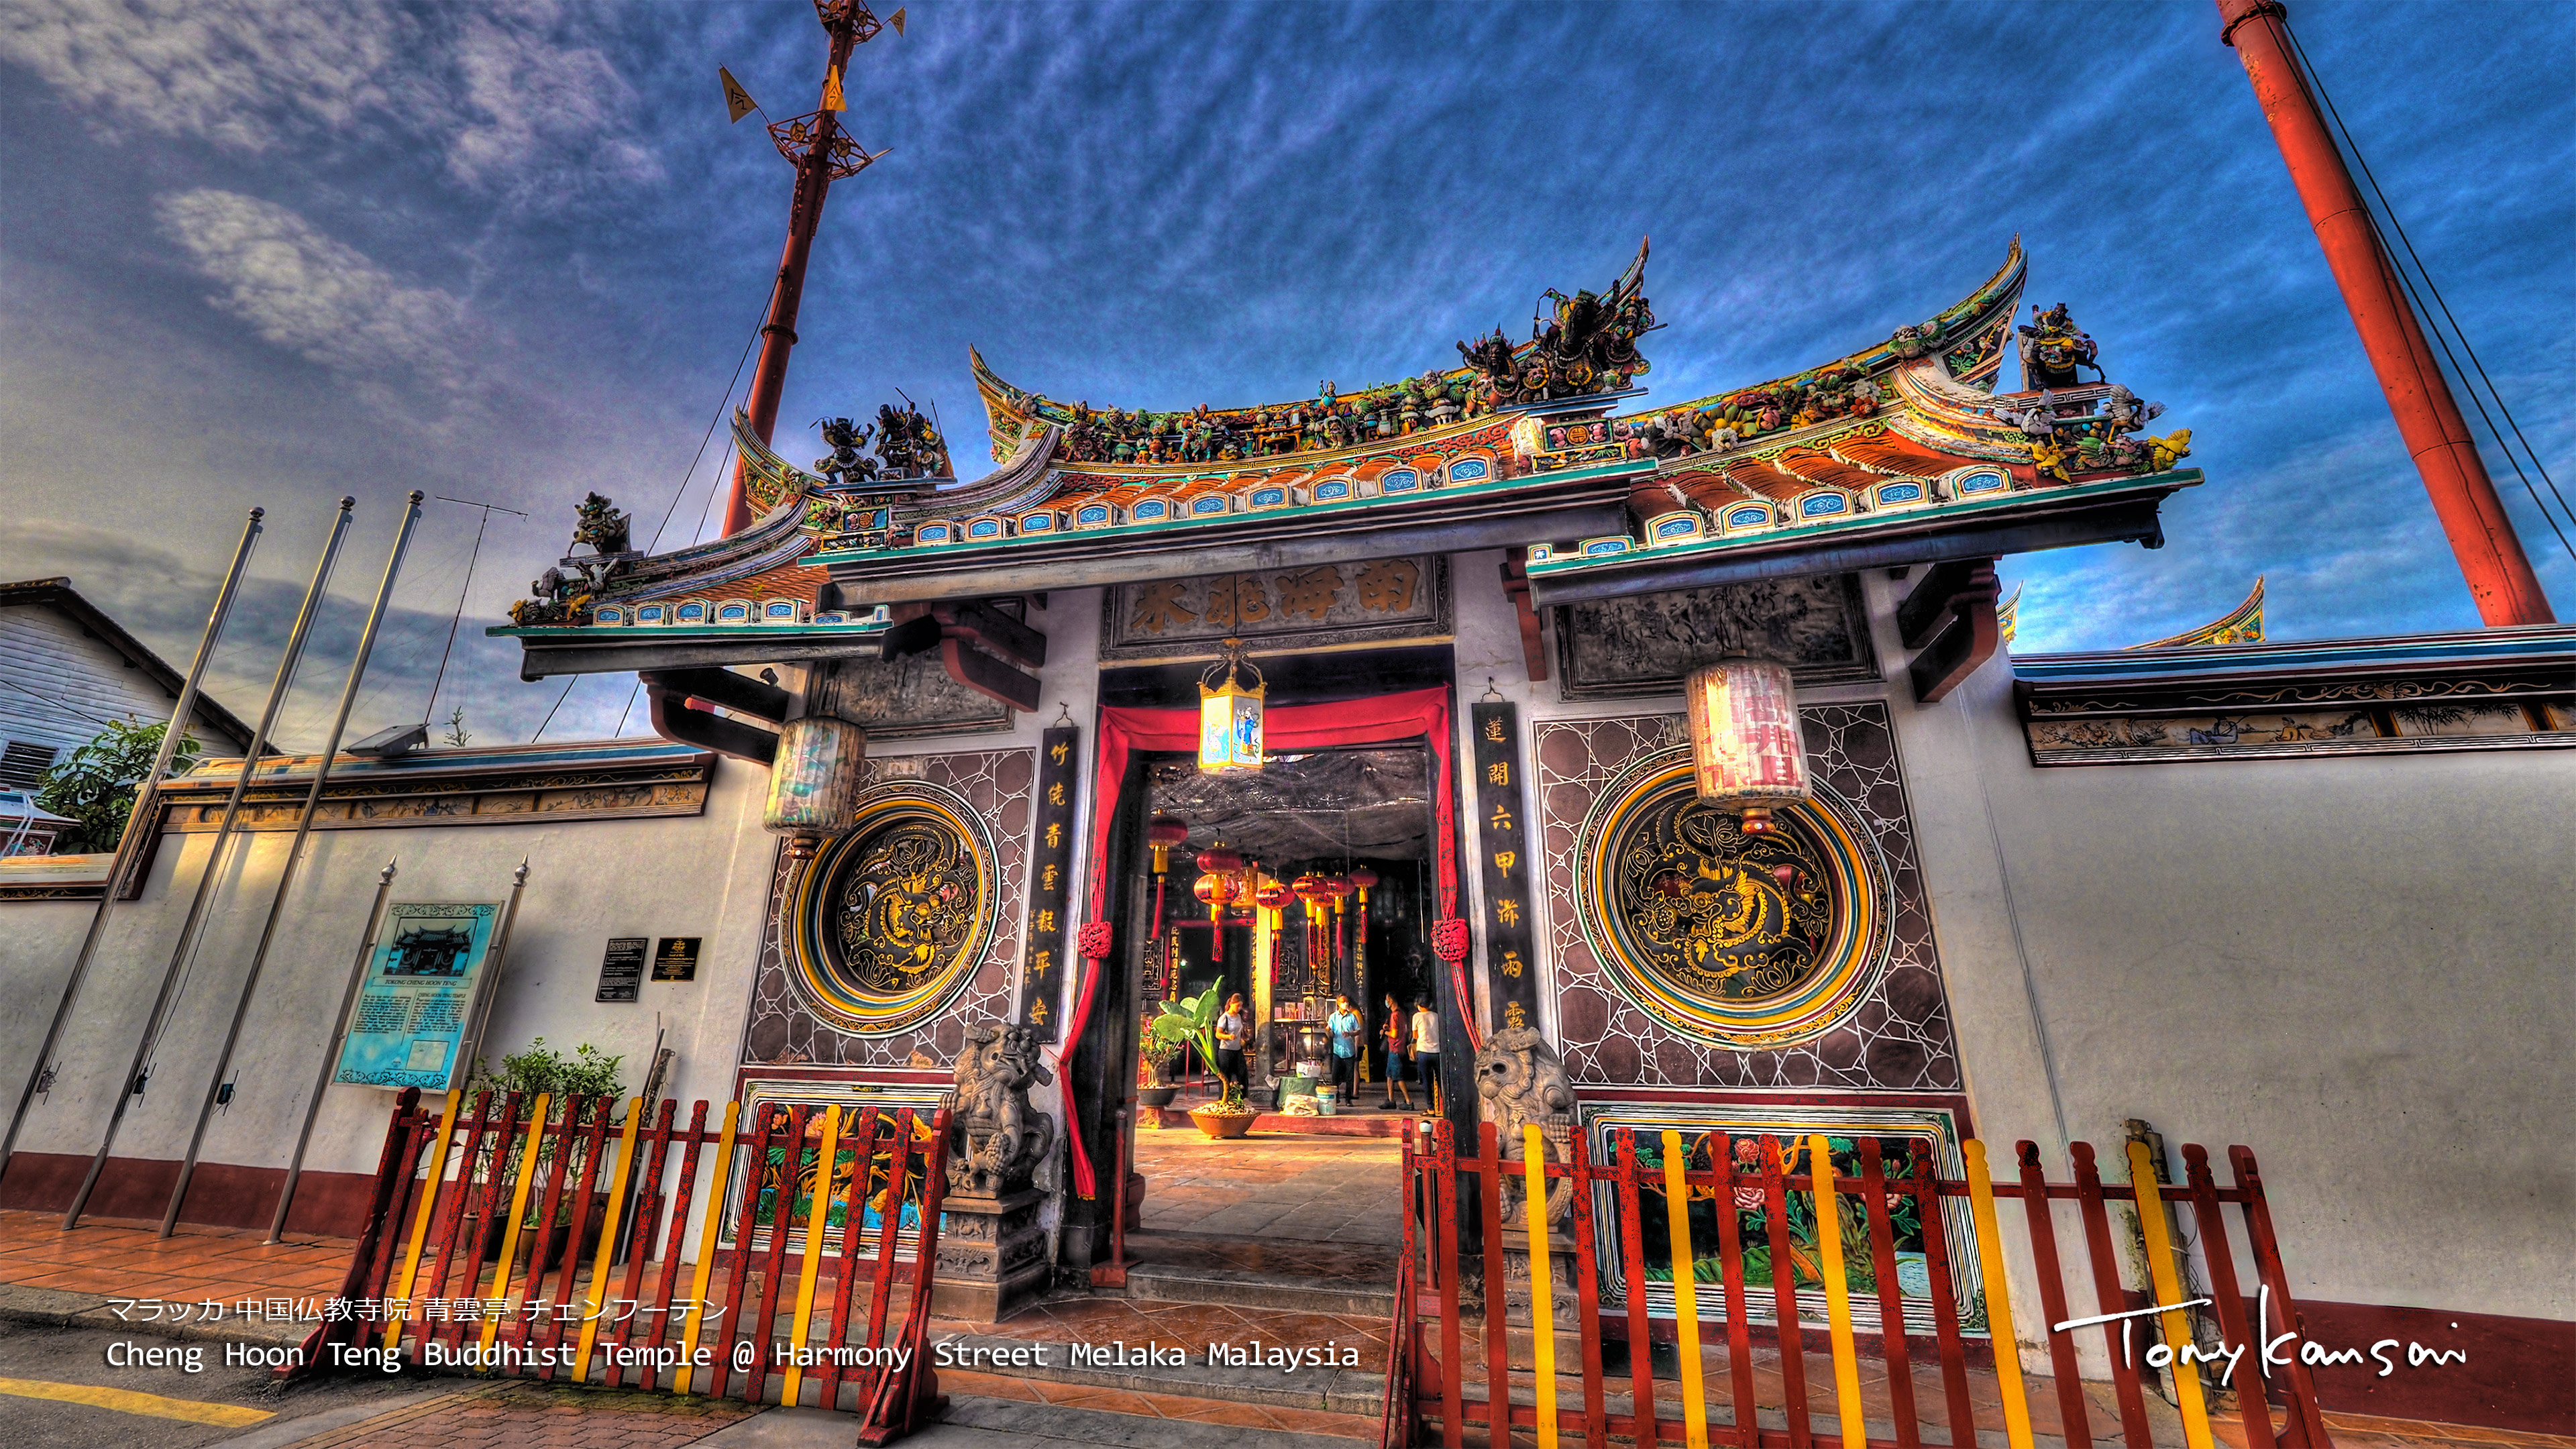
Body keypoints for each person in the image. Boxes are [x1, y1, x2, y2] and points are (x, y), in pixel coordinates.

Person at [1379, 991, 1414, 1109]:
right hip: (1396, 1048)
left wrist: (1384, 1032)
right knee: (1389, 1076)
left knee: (1398, 1077)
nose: (1386, 1001)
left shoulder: (1394, 1015)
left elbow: (1394, 1034)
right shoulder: (1402, 1013)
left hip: (1395, 1048)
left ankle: (1409, 1101)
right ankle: (1391, 1100)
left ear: (1391, 1000)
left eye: (1387, 999)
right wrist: (1389, 1028)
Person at [1325, 994, 1362, 1103]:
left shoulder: (1352, 1017)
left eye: (1347, 1001)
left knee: (1349, 1077)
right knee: (1335, 1076)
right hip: (1337, 1050)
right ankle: (1336, 1097)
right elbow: (1329, 1029)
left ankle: (1348, 1099)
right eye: (1343, 1001)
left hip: (1349, 1050)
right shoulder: (1333, 1017)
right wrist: (1328, 1032)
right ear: (1338, 1003)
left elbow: (1358, 1031)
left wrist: (1350, 1033)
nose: (1345, 1003)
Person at [1214, 993, 1249, 1101]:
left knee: (1242, 1074)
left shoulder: (1238, 1016)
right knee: (1226, 1076)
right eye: (1237, 1006)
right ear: (1231, 1004)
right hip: (1226, 1051)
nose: (1239, 1008)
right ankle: (1223, 1099)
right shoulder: (1224, 1018)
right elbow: (1218, 1034)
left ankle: (1242, 1098)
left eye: (1240, 1006)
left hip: (1237, 1049)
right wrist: (1228, 1037)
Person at [1410, 997, 1440, 1114]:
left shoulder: (1417, 1017)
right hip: (1437, 1051)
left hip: (1423, 1052)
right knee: (1440, 1079)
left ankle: (1431, 1108)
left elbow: (1415, 1036)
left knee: (1426, 1080)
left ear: (1419, 1005)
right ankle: (1443, 1106)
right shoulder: (1436, 1016)